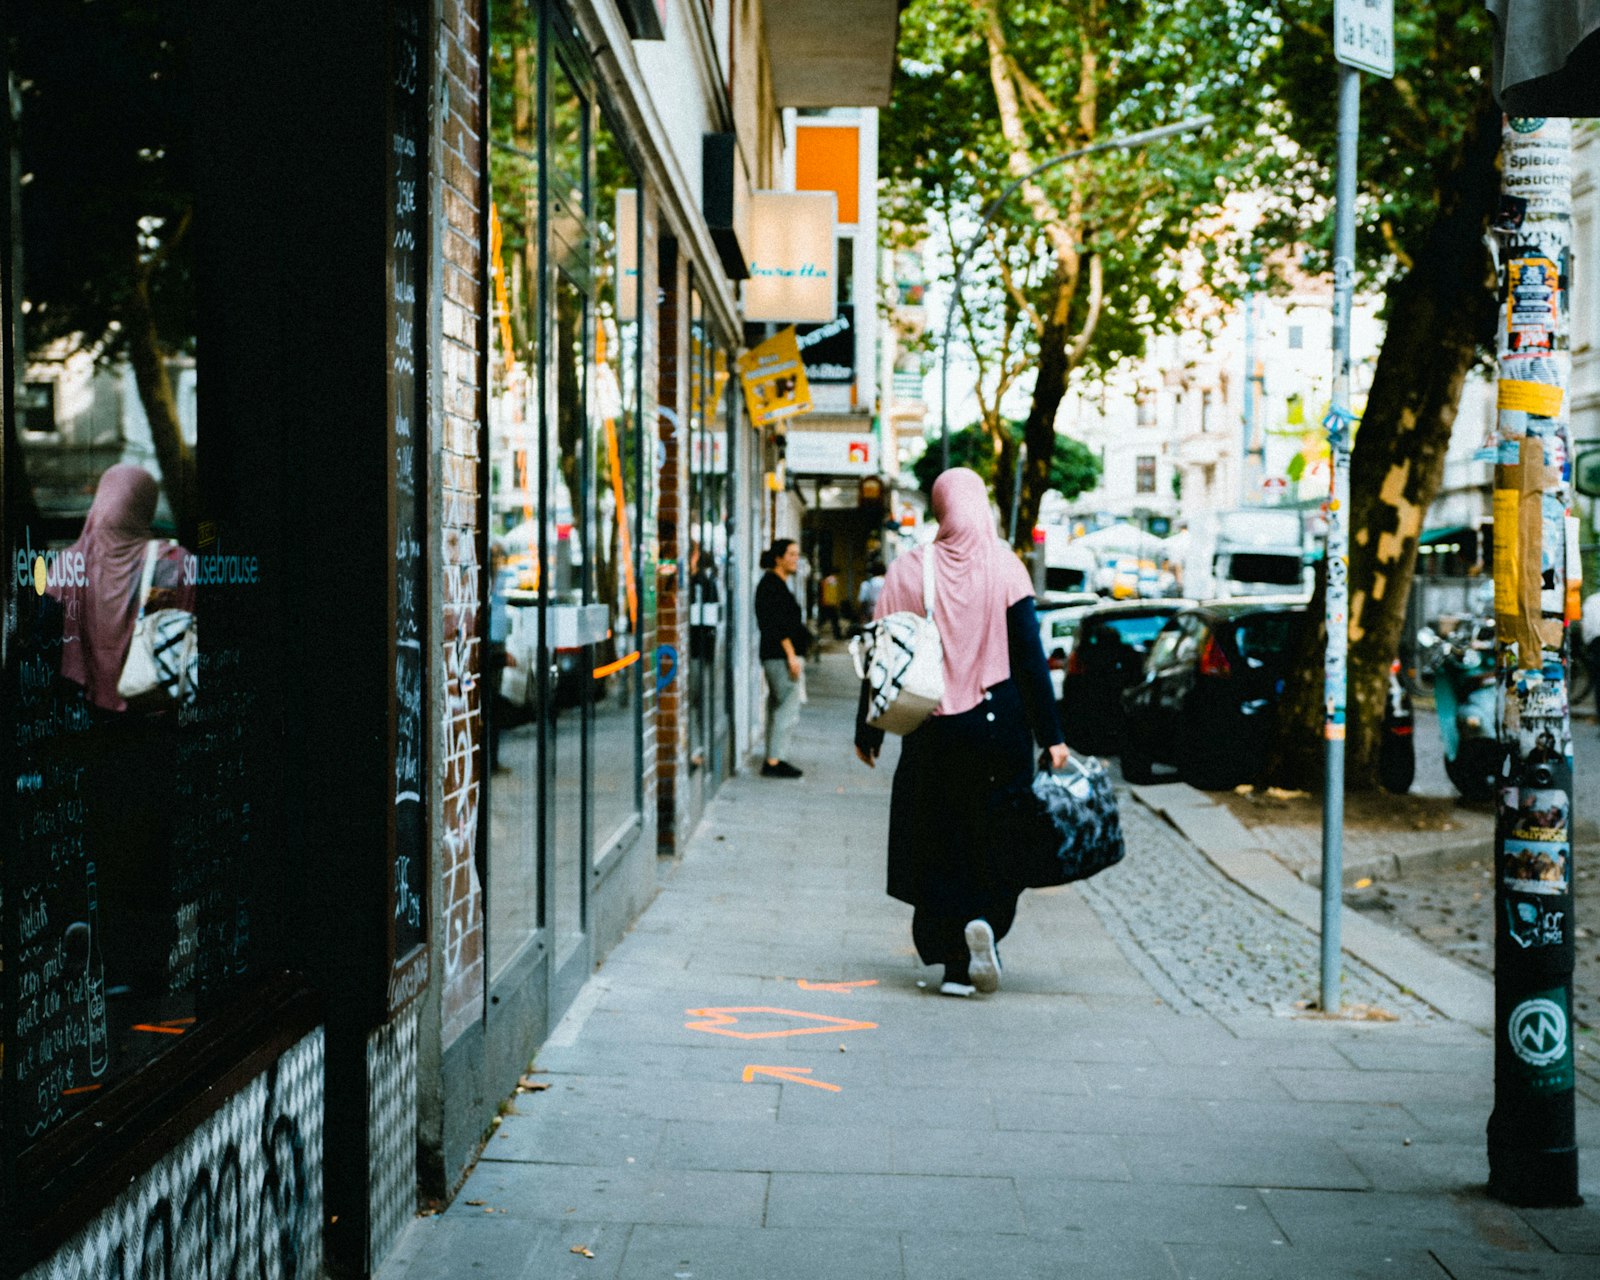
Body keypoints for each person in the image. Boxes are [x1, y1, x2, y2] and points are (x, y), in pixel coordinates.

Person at [855, 468, 1067, 997]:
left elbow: (883, 656)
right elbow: (1030, 659)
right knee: (999, 838)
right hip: (1000, 730)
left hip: (932, 732)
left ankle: (953, 965)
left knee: (938, 841)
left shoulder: (909, 570)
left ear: (940, 507)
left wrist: (869, 732)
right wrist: (1054, 735)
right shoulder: (1005, 566)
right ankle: (988, 927)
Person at [46, 463, 196, 1000]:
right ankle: (149, 967)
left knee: (102, 848)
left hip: (94, 733)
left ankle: (107, 966)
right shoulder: (174, 564)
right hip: (155, 731)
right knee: (153, 849)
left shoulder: (69, 565)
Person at [754, 538, 809, 778]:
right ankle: (775, 761)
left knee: (778, 705)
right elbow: (774, 625)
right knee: (787, 708)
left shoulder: (775, 583)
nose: (796, 559)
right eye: (792, 554)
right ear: (779, 558)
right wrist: (791, 656)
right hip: (780, 657)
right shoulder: (772, 585)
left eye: (797, 555)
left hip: (777, 656)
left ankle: (773, 757)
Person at [1582, 590, 1600, 724]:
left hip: (1596, 643)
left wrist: (1587, 642)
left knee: (1599, 681)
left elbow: (1586, 625)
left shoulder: (1592, 600)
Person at [819, 569, 843, 639]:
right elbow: (833, 593)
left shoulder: (825, 580)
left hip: (827, 602)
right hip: (831, 603)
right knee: (834, 620)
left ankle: (817, 629)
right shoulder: (833, 580)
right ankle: (837, 635)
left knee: (826, 618)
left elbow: (824, 592)